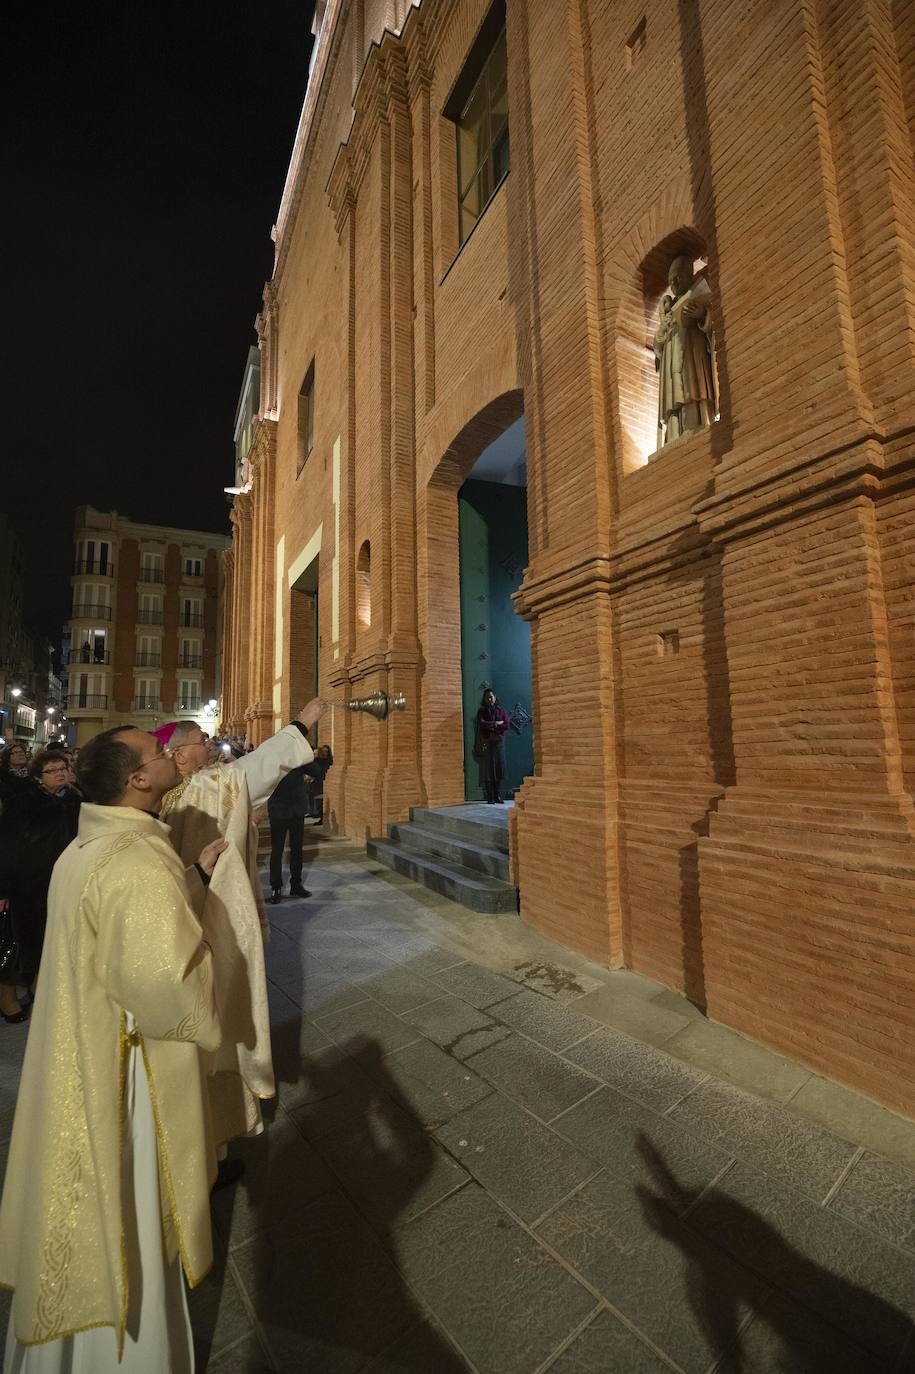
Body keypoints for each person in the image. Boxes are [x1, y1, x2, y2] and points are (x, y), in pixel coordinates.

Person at [0, 725, 226, 1373]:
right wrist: (217, 963)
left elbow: (123, 930)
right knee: (126, 1216)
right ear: (138, 779)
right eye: (156, 752)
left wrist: (191, 878)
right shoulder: (134, 860)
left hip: (85, 1048)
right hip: (126, 1071)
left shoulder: (94, 843)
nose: (167, 753)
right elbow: (166, 991)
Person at [155, 699, 327, 1151]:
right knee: (219, 1014)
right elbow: (256, 770)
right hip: (210, 920)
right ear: (177, 754)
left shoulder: (170, 794)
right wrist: (301, 724)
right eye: (200, 741)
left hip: (180, 920)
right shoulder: (204, 786)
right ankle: (218, 1126)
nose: (209, 745)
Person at [0, 750, 81, 1024]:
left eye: (63, 767)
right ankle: (8, 995)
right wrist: (3, 887)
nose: (60, 772)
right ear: (38, 777)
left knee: (52, 937)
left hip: (62, 881)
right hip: (26, 883)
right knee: (17, 942)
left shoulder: (75, 799)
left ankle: (39, 986)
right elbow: (8, 845)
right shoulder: (22, 802)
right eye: (52, 770)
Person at [652, 254, 718, 448]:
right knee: (674, 397)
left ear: (689, 275)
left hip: (691, 356)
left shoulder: (698, 297)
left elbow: (713, 327)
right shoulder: (668, 310)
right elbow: (657, 349)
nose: (673, 282)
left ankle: (696, 424)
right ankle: (674, 435)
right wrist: (662, 329)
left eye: (678, 276)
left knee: (692, 390)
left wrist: (702, 315)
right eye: (670, 279)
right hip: (671, 365)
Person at [267, 765, 311, 903]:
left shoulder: (299, 756)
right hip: (279, 809)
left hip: (296, 810)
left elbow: (316, 770)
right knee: (277, 850)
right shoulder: (274, 755)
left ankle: (296, 885)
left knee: (297, 849)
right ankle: (276, 888)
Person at [474, 689, 510, 804]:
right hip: (487, 743)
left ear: (495, 697)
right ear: (485, 699)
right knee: (488, 770)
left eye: (491, 697)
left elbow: (506, 724)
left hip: (499, 744)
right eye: (487, 697)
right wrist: (495, 724)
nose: (490, 699)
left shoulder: (501, 711)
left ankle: (497, 795)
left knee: (499, 769)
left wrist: (494, 725)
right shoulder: (482, 711)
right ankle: (490, 797)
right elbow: (481, 723)